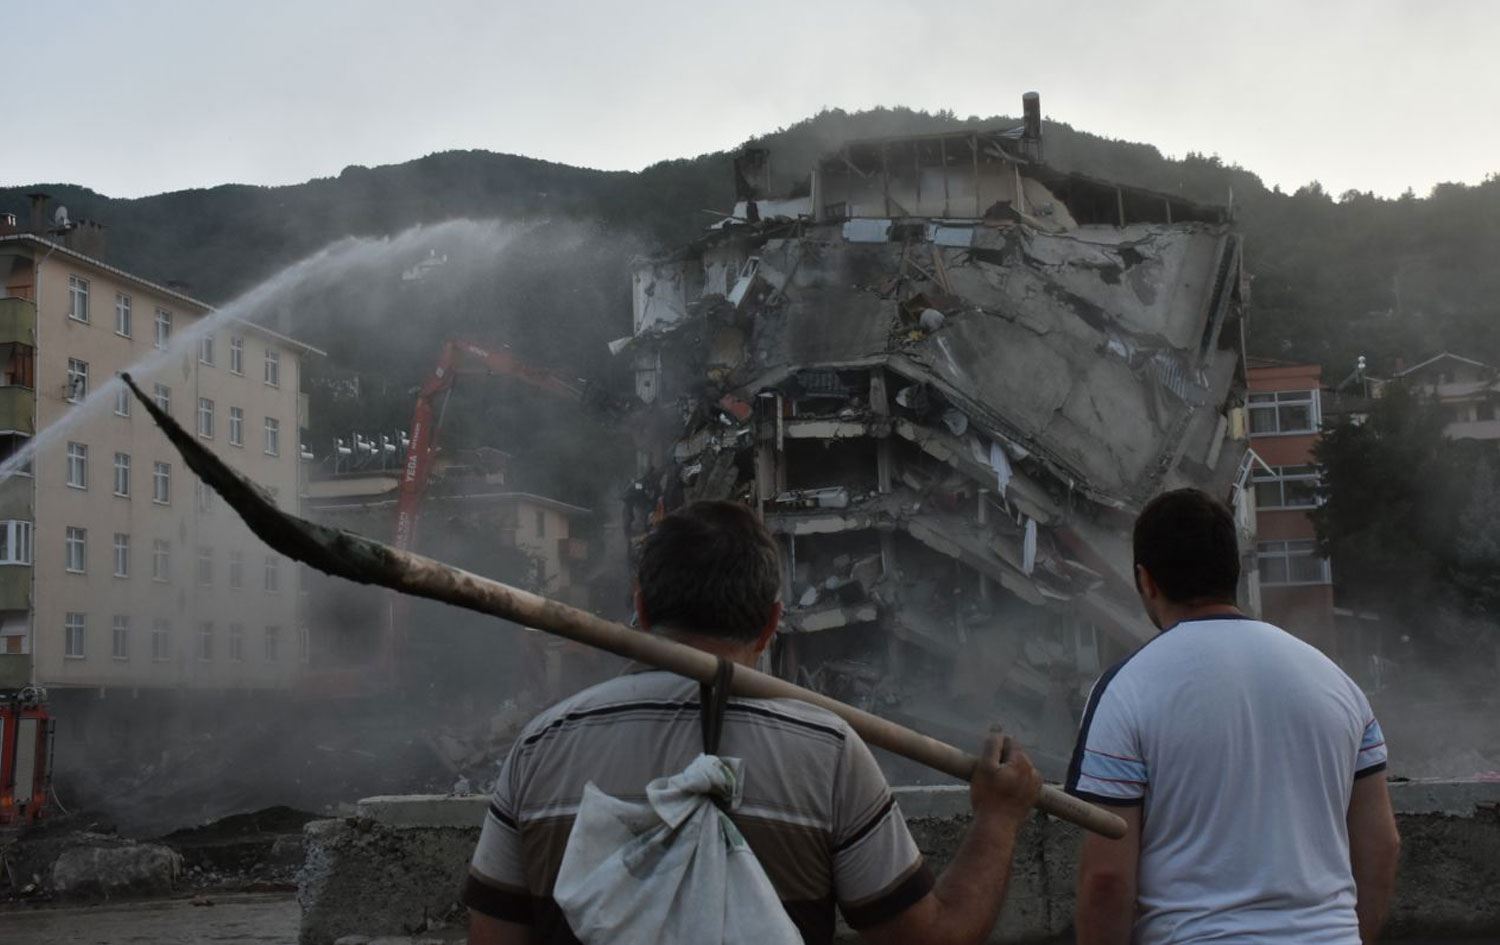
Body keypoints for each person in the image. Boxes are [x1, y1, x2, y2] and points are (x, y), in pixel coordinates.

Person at [465, 500, 1042, 945]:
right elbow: (930, 939)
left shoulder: (541, 746)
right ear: (772, 624)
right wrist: (998, 816)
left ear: (639, 607)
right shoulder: (827, 752)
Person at [1068, 489, 1401, 944]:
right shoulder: (1338, 685)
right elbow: (1381, 847)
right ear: (1235, 571)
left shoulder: (1126, 690)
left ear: (1146, 581)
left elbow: (1107, 880)